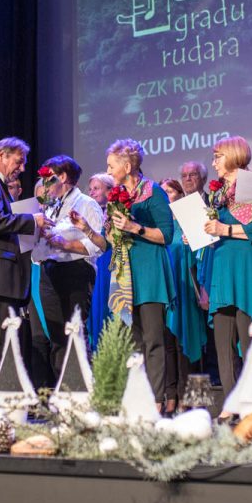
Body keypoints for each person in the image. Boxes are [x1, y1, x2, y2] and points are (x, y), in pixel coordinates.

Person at [203, 136, 252, 405]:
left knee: (250, 339)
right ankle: (231, 401)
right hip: (223, 264)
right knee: (223, 339)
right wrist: (199, 235)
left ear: (234, 155)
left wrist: (225, 229)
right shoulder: (217, 193)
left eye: (218, 157)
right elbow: (215, 228)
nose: (214, 163)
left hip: (248, 263)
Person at [106, 139, 175, 408]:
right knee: (131, 341)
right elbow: (110, 238)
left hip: (150, 273)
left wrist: (135, 227)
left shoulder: (153, 192)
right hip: (126, 274)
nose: (108, 171)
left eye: (111, 166)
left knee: (153, 339)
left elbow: (166, 235)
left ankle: (156, 400)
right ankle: (136, 398)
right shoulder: (115, 197)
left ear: (127, 166)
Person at [0, 137, 45, 390]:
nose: (22, 168)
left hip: (0, 280)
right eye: (19, 161)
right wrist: (32, 221)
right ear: (2, 156)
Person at [32, 155, 106, 374]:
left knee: (74, 332)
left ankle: (82, 388)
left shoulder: (87, 204)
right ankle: (62, 388)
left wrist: (65, 244)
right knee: (56, 336)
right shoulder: (51, 205)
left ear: (62, 177)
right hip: (49, 271)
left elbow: (98, 246)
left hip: (76, 272)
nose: (44, 183)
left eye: (48, 178)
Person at [160, 178, 200, 413]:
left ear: (180, 194)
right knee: (167, 343)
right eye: (162, 191)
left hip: (188, 287)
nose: (165, 194)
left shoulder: (190, 217)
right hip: (166, 288)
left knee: (189, 342)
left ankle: (192, 397)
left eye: (170, 191)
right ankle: (171, 395)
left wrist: (193, 243)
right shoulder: (158, 223)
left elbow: (205, 251)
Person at [82, 173, 115, 351]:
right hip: (96, 264)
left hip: (112, 262)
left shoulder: (116, 211)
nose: (92, 192)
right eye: (90, 189)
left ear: (109, 191)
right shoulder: (90, 211)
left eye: (97, 188)